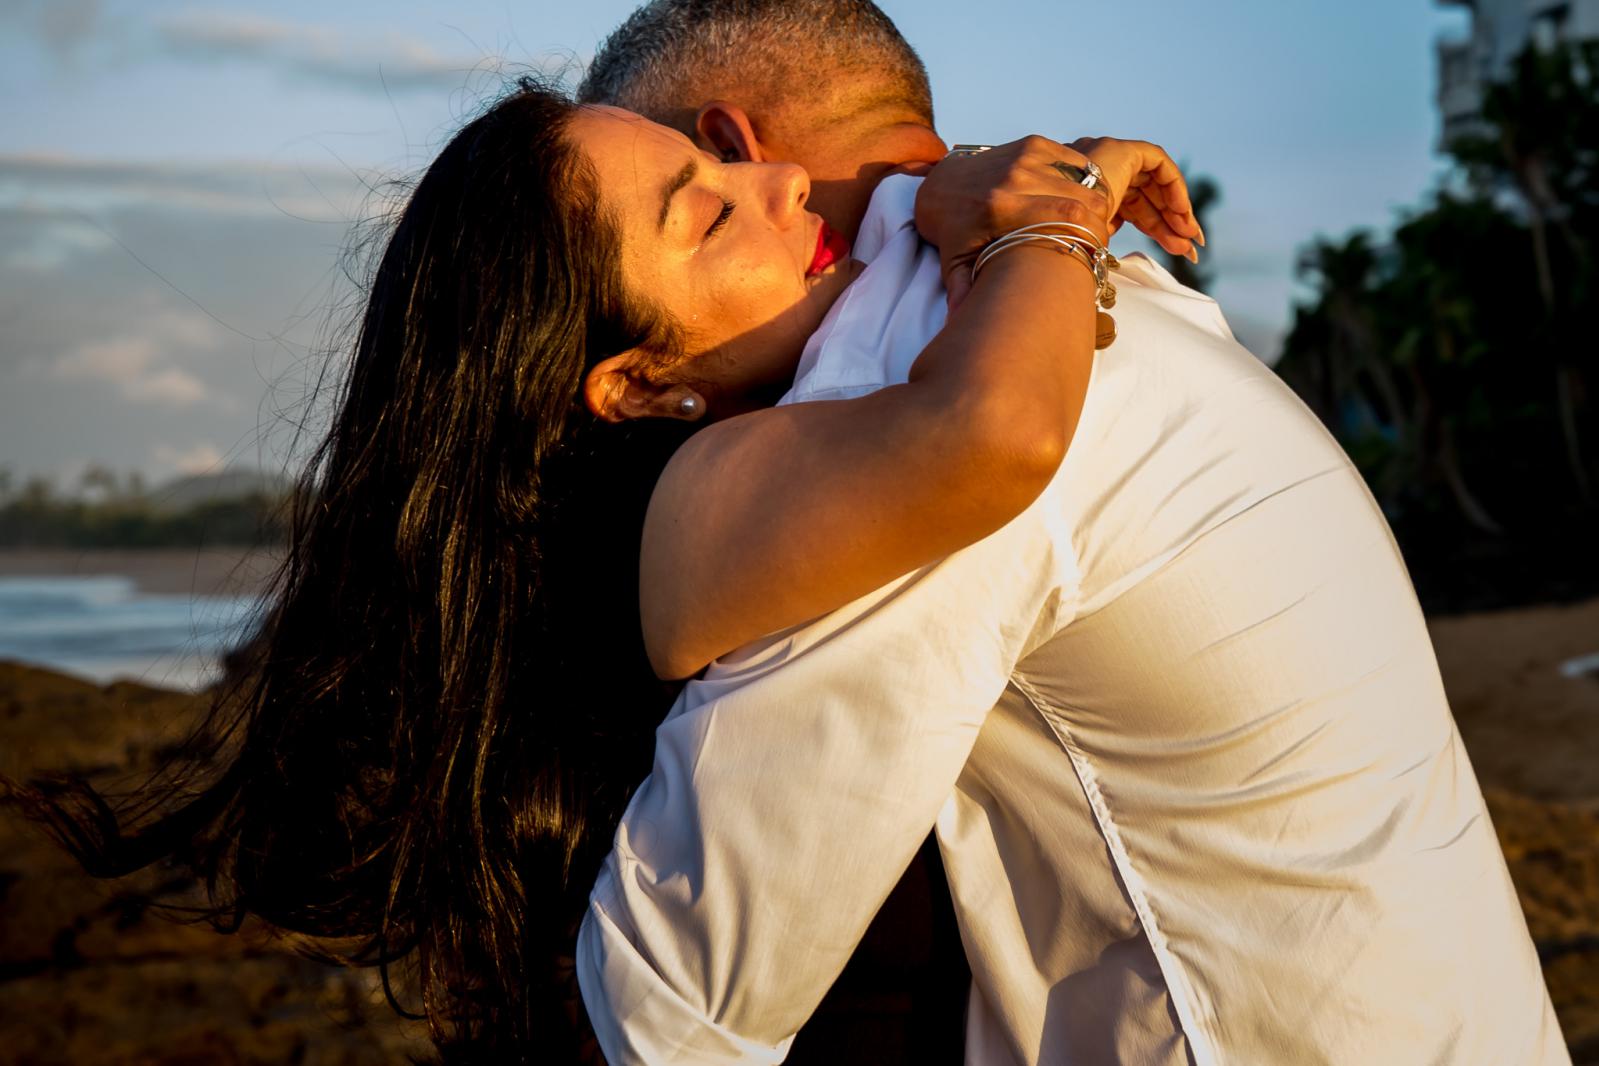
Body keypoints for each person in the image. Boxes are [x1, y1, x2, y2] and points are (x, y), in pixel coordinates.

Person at [16, 75, 1181, 1063]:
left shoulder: (733, 511)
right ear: (630, 383)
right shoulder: (741, 504)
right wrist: (1045, 210)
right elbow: (995, 432)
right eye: (709, 210)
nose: (780, 186)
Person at [571, 2, 1568, 1064]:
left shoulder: (901, 375)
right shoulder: (1115, 287)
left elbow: (670, 1016)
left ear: (731, 145)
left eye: (697, 184)